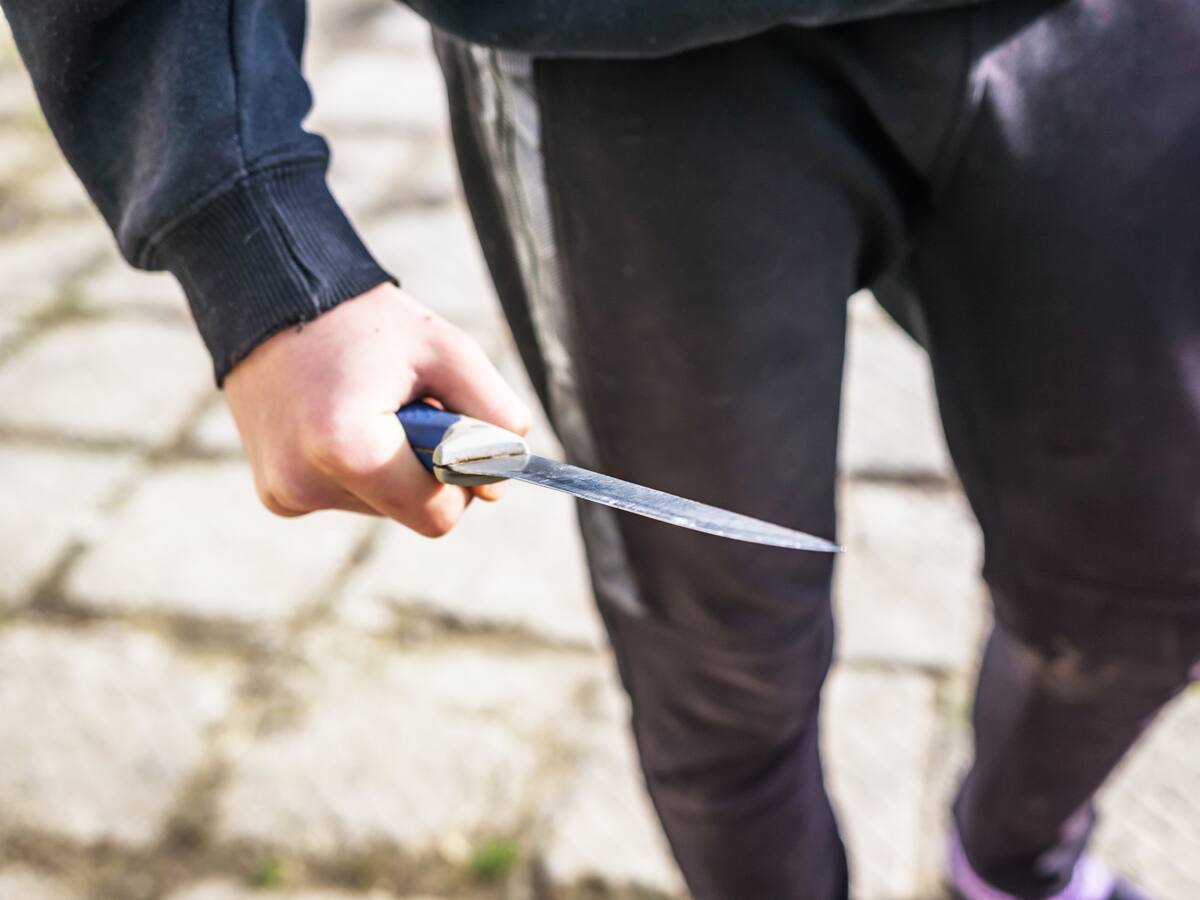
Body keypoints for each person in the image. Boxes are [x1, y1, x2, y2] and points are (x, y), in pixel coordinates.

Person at [3, 0, 1197, 897]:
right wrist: (251, 236)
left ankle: (1014, 866)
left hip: (1122, 38)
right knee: (721, 652)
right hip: (610, 57)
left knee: (1152, 576)